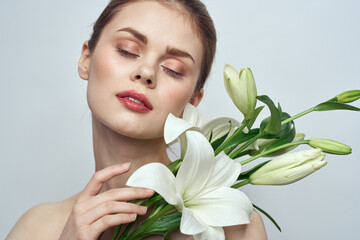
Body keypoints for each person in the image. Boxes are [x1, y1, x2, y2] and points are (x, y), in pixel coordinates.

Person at [7, 0, 267, 239]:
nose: (146, 72)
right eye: (128, 51)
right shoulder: (38, 228)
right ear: (86, 60)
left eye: (173, 69)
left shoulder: (236, 228)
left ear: (192, 101)